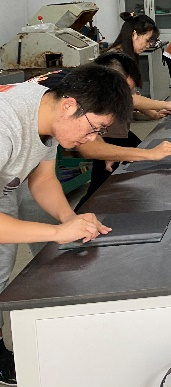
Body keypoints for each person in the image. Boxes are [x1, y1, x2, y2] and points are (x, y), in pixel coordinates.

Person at [0, 63, 131, 384]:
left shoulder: (46, 110)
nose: (92, 139)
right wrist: (57, 231)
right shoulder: (6, 126)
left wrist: (69, 218)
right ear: (69, 105)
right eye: (94, 128)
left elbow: (43, 178)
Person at [25, 53, 171, 210]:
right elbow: (89, 148)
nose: (122, 99)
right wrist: (149, 154)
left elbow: (44, 179)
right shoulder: (71, 96)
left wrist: (69, 219)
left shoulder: (75, 84)